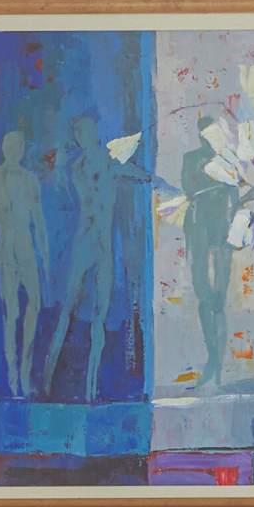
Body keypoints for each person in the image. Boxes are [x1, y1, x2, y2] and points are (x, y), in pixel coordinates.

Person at [43, 114, 151, 404]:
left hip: (103, 245)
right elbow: (99, 180)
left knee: (100, 316)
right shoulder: (78, 166)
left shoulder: (106, 163)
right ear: (78, 137)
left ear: (94, 133)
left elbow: (141, 175)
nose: (85, 136)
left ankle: (91, 391)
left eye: (88, 131)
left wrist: (136, 171)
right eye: (80, 132)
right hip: (86, 243)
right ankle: (47, 379)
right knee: (68, 307)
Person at [0, 130, 49, 402]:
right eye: (11, 145)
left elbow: (40, 221)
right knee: (11, 310)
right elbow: (4, 205)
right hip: (8, 242)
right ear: (5, 148)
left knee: (33, 304)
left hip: (25, 243)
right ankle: (14, 373)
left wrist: (45, 256)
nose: (16, 150)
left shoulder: (31, 180)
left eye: (20, 145)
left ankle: (24, 371)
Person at [178, 137, 236, 389]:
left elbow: (235, 194)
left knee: (218, 299)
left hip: (221, 230)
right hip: (199, 228)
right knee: (203, 292)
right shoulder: (191, 159)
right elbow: (187, 190)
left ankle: (218, 368)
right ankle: (213, 358)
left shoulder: (227, 158)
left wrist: (236, 226)